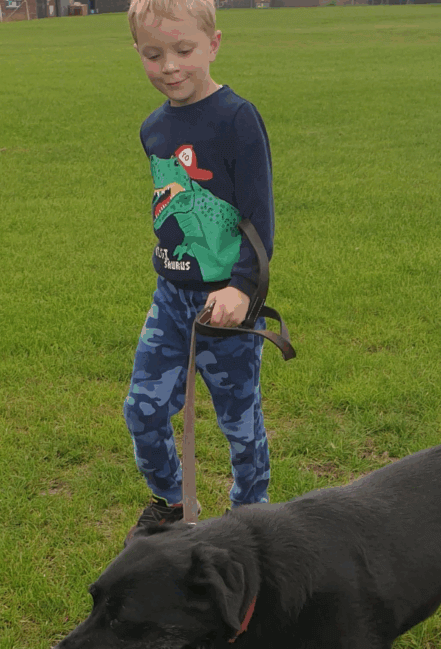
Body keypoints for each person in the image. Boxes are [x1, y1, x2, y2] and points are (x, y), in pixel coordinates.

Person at [123, 0, 274, 530]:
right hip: (172, 296)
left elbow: (259, 217)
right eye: (153, 54)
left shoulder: (237, 118)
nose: (169, 67)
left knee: (239, 422)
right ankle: (173, 505)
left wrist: (240, 288)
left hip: (227, 304)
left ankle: (250, 518)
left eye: (183, 50)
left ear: (212, 45)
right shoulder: (153, 129)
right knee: (142, 410)